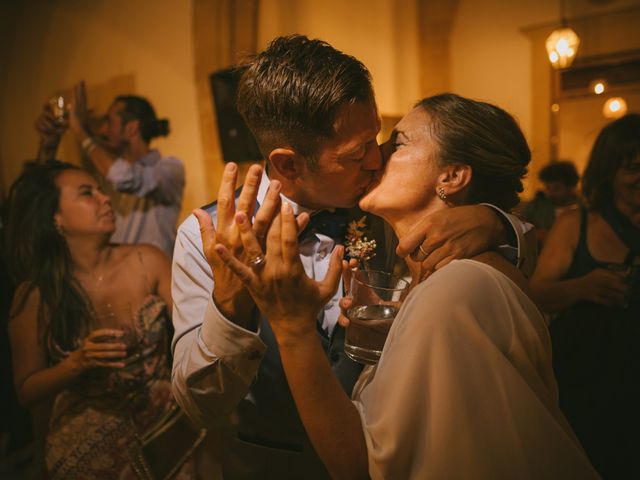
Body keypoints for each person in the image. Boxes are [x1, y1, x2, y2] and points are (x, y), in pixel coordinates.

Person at [171, 35, 532, 479]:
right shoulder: (203, 237)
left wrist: (496, 221)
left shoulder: (383, 206)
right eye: (356, 152)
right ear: (287, 166)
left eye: (378, 138)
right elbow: (197, 407)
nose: (375, 158)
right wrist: (230, 305)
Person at [214, 93, 599, 479]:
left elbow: (362, 467)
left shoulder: (456, 290)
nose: (375, 156)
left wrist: (292, 326)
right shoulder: (424, 279)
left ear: (451, 176)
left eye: (396, 143)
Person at [5, 161, 195, 479]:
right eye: (86, 193)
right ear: (56, 218)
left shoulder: (146, 260)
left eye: (101, 190)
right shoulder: (37, 294)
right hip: (87, 449)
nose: (105, 198)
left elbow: (197, 331)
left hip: (165, 434)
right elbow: (27, 390)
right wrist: (76, 363)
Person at [531, 114, 640, 479]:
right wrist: (581, 287)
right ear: (608, 171)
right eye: (634, 168)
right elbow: (534, 295)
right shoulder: (575, 224)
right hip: (586, 379)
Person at [35, 84, 185, 257]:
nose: (102, 129)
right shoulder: (104, 170)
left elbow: (124, 177)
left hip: (154, 276)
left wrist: (80, 130)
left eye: (109, 121)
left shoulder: (169, 168)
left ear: (131, 128)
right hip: (115, 273)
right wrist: (49, 143)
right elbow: (42, 193)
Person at [518, 160, 580, 248]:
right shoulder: (537, 207)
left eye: (557, 189)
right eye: (548, 188)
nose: (551, 193)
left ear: (571, 186)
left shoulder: (583, 209)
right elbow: (520, 227)